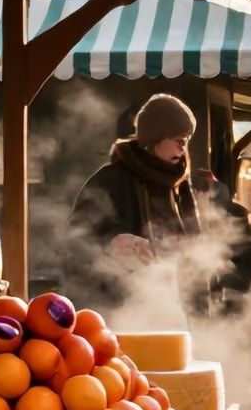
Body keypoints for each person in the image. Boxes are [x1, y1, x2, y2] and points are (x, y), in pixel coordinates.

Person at [66, 94, 202, 305]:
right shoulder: (111, 180)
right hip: (120, 307)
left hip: (173, 306)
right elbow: (75, 239)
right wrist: (112, 242)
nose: (183, 149)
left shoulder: (180, 187)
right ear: (155, 137)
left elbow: (196, 249)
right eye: (178, 141)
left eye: (186, 142)